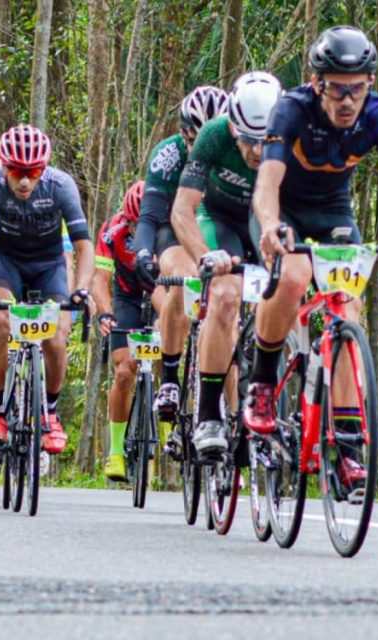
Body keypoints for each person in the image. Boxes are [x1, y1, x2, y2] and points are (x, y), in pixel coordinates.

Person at [244, 26, 378, 488]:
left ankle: (347, 444)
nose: (347, 100)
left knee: (345, 302)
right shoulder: (292, 109)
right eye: (336, 88)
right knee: (292, 278)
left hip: (332, 211)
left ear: (369, 84)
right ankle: (263, 382)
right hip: (283, 208)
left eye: (358, 88)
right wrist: (270, 227)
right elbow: (266, 186)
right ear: (317, 83)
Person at [0, 125, 95, 453]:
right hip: (6, 263)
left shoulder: (61, 185)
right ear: (3, 166)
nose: (24, 181)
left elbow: (84, 247)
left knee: (55, 334)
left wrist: (80, 289)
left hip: (49, 265)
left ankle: (50, 412)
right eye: (17, 171)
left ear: (44, 169)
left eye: (33, 172)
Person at [170, 71, 282, 455]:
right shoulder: (214, 136)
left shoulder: (292, 135)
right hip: (222, 222)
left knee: (288, 292)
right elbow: (182, 210)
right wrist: (205, 255)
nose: (255, 151)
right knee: (226, 296)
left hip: (268, 221)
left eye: (264, 141)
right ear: (233, 126)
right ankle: (208, 417)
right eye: (248, 140)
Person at [133, 86, 229, 457]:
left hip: (218, 225)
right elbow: (151, 214)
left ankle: (231, 411)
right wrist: (143, 252)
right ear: (185, 132)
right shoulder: (169, 154)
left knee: (227, 308)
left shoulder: (236, 151)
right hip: (174, 227)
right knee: (184, 280)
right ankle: (171, 379)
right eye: (195, 137)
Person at [0, 218, 76, 425]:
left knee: (56, 328)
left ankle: (46, 404)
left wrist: (67, 306)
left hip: (42, 275)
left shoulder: (50, 208)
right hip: (2, 272)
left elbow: (66, 263)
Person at [92, 181, 167, 481]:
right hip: (127, 295)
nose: (138, 229)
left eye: (142, 222)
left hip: (160, 287)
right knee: (124, 371)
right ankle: (116, 452)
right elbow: (100, 279)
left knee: (167, 347)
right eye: (133, 223)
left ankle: (169, 426)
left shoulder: (168, 227)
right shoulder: (112, 230)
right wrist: (105, 312)